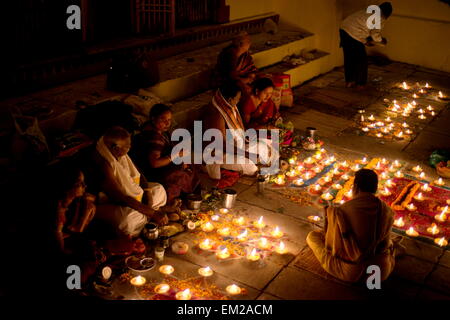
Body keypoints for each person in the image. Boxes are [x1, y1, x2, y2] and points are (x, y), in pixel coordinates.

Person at [306, 169, 396, 283]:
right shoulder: (386, 210)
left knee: (312, 237)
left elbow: (332, 246)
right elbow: (384, 244)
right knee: (389, 243)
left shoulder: (341, 211)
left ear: (356, 187)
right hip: (381, 271)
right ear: (375, 188)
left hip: (351, 272)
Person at [93, 126, 169, 237]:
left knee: (158, 189)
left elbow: (139, 174)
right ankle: (147, 218)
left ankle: (146, 217)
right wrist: (151, 212)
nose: (129, 149)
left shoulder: (117, 151)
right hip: (112, 202)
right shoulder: (104, 163)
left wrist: (147, 192)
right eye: (127, 147)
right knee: (127, 220)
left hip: (132, 198)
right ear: (115, 147)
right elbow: (120, 197)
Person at [202, 81, 274, 180]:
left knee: (263, 148)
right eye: (238, 99)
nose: (239, 101)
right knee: (250, 166)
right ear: (230, 99)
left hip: (235, 146)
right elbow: (221, 145)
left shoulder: (228, 105)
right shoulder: (217, 114)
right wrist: (247, 154)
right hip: (219, 153)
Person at [131, 103, 199, 204]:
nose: (167, 123)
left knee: (188, 166)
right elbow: (155, 163)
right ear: (153, 119)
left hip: (157, 167)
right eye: (163, 120)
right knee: (181, 174)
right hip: (150, 173)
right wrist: (176, 155)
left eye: (169, 120)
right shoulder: (154, 137)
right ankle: (170, 202)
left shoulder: (157, 131)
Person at [339, 2, 392, 89]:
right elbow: (375, 35)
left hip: (344, 29)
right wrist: (382, 41)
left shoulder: (369, 10)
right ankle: (360, 84)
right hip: (354, 33)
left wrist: (365, 41)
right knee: (361, 60)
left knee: (349, 57)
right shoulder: (380, 17)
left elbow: (362, 26)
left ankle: (349, 81)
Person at [55, 168, 96, 255]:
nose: (85, 186)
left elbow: (92, 198)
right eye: (80, 183)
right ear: (68, 186)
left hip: (71, 234)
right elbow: (58, 238)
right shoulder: (58, 210)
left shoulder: (75, 200)